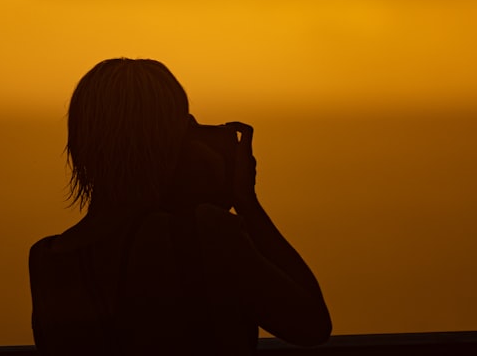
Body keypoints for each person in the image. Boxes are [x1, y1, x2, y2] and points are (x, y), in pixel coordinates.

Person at [29, 58, 331, 355]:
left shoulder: (47, 259)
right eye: (188, 126)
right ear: (167, 143)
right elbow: (311, 324)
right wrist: (247, 204)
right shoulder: (202, 233)